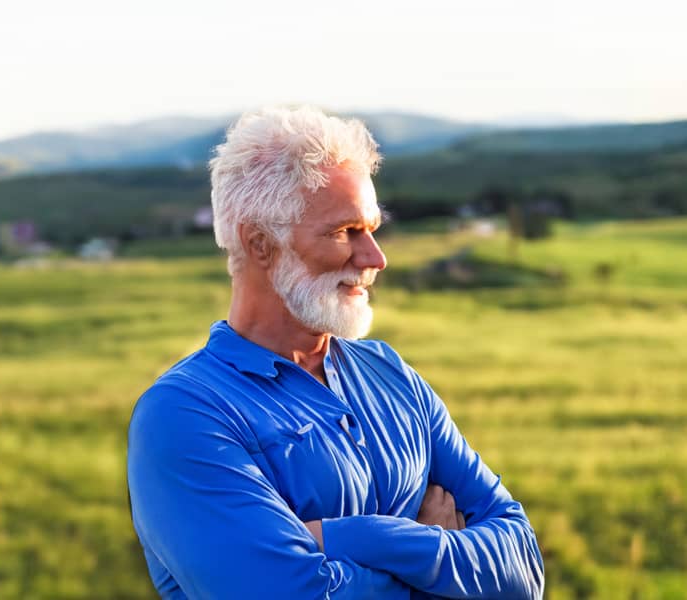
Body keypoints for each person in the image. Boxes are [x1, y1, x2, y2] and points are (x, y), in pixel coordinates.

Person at [127, 106, 544, 599]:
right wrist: (442, 558)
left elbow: (522, 570)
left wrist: (351, 537)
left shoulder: (390, 374)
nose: (375, 258)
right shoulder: (184, 415)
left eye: (372, 229)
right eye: (345, 232)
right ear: (260, 244)